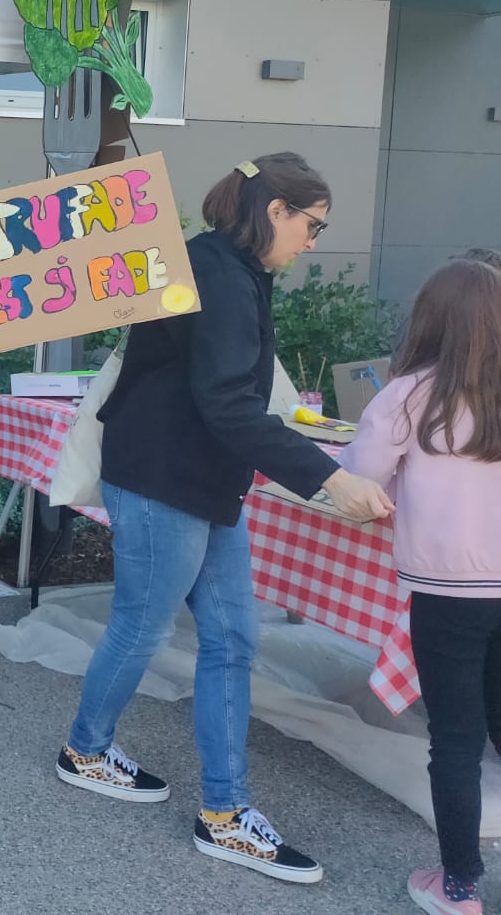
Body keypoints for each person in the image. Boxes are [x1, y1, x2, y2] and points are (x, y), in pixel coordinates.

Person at [55, 152, 393, 883]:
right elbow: (229, 405)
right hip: (160, 478)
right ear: (275, 210)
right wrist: (328, 479)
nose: (313, 242)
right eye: (312, 225)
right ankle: (85, 750)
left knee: (233, 639)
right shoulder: (217, 274)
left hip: (203, 481)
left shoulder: (222, 267)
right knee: (144, 625)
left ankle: (223, 813)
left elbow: (223, 400)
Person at [338, 259, 501, 915]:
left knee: (457, 738)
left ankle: (458, 886)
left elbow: (359, 479)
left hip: (448, 589)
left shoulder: (408, 392)